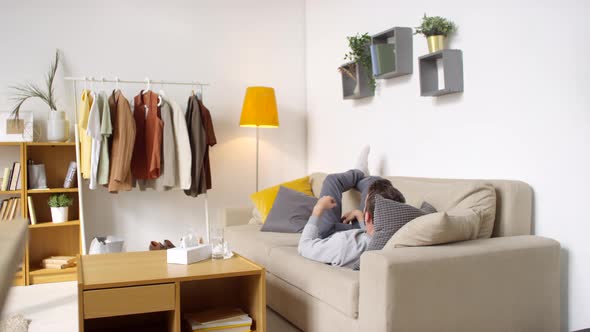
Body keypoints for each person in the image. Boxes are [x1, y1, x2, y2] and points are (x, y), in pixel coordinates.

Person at [297, 147, 405, 268]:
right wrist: (359, 216)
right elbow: (370, 236)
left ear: (368, 217)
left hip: (328, 236)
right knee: (376, 183)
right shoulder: (394, 238)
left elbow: (304, 246)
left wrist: (318, 209)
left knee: (331, 180)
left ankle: (358, 172)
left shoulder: (342, 245)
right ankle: (362, 175)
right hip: (359, 233)